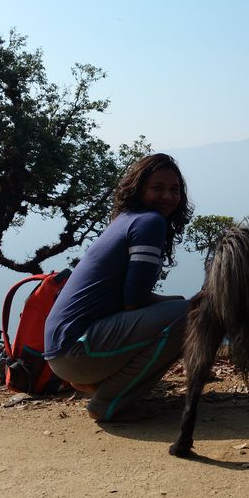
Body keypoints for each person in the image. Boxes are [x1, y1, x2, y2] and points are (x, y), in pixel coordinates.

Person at [44, 153, 193, 422]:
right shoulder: (150, 223)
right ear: (139, 189)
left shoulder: (127, 219)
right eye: (157, 188)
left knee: (182, 307)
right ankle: (109, 402)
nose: (168, 197)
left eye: (174, 190)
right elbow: (134, 301)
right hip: (77, 352)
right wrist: (183, 305)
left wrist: (175, 302)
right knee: (193, 315)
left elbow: (129, 300)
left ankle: (100, 385)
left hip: (65, 350)